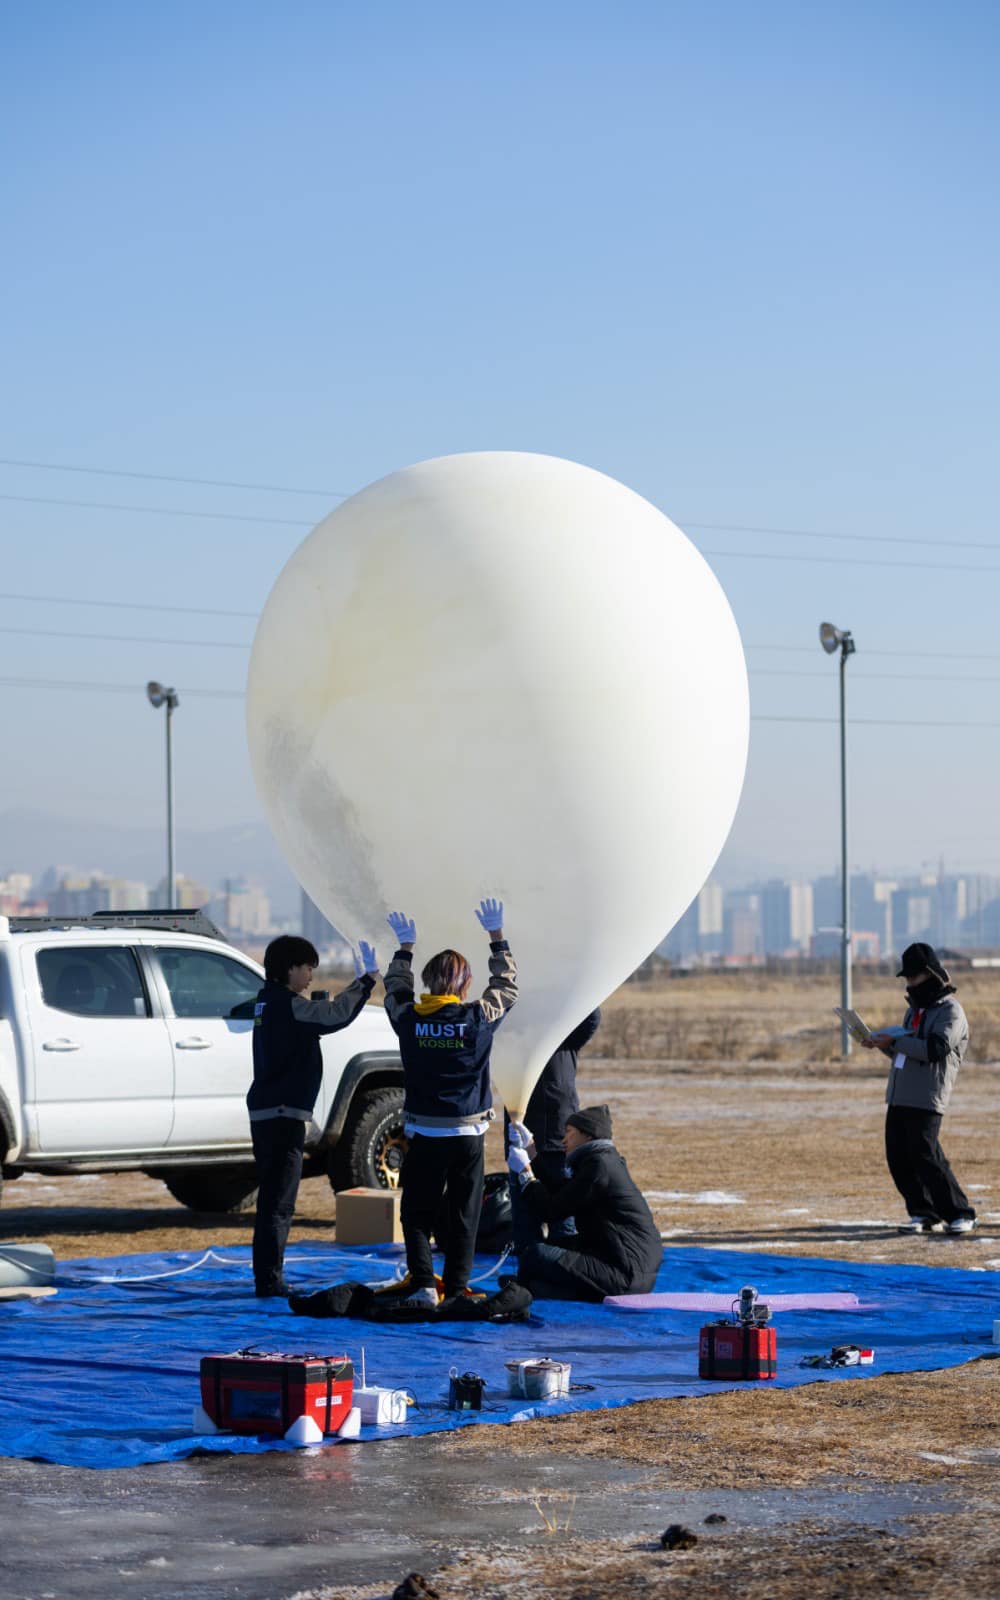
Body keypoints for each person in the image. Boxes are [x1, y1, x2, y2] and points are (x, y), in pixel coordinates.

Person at [383, 898, 517, 1309]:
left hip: (425, 1132)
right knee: (464, 1216)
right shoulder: (477, 1018)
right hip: (468, 1134)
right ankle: (457, 1290)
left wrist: (404, 948)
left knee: (416, 1214)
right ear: (464, 984)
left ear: (428, 981)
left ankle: (423, 1284)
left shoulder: (408, 1018)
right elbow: (507, 988)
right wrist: (497, 938)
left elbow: (394, 989)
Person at [248, 933, 380, 1296]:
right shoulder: (288, 1004)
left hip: (266, 1111)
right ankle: (270, 1281)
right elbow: (334, 1015)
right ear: (290, 968)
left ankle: (266, 1276)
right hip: (281, 1115)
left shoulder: (266, 1001)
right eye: (307, 968)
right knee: (279, 1203)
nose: (310, 977)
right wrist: (366, 982)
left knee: (271, 1200)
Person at [862, 941, 976, 1235]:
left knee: (926, 1157)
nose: (910, 983)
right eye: (907, 978)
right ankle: (924, 1213)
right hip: (900, 1094)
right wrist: (882, 1045)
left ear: (930, 974)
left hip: (927, 1096)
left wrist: (895, 1041)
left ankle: (960, 1213)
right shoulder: (913, 1012)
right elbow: (904, 1052)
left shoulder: (951, 1011)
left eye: (914, 977)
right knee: (898, 1157)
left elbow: (935, 1049)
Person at [506, 1103, 662, 1301]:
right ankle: (536, 1288)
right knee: (549, 1248)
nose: (563, 1139)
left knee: (534, 1254)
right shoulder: (601, 1162)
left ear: (588, 1135)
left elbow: (551, 1210)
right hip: (624, 1265)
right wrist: (531, 1152)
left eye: (569, 1132)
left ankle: (532, 1289)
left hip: (624, 1274)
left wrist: (525, 1175)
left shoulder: (599, 1167)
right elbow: (562, 1192)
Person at [505, 1010, 601, 1250]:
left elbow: (590, 1017)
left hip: (561, 1144)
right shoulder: (514, 1040)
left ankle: (563, 1279)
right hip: (523, 1146)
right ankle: (528, 1279)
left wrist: (572, 986)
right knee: (525, 1223)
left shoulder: (565, 1036)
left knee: (564, 1223)